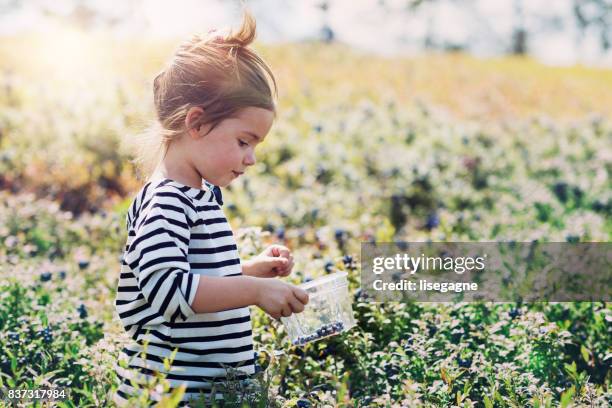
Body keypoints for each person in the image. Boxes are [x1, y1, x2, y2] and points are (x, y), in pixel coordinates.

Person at [113, 11, 309, 407]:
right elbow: (169, 291)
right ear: (197, 123)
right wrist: (254, 290)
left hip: (213, 394)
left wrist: (251, 269)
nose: (251, 158)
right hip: (169, 395)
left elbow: (197, 278)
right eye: (243, 141)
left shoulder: (202, 195)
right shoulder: (166, 201)